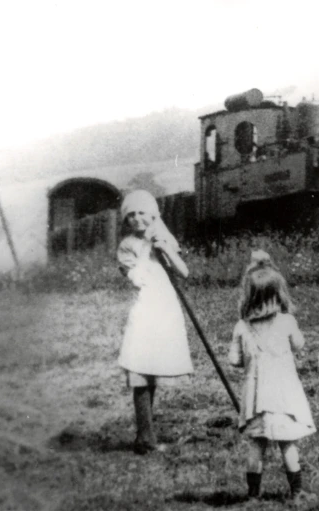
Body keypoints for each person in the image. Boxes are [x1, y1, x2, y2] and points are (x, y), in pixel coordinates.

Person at [228, 250, 316, 501]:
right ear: (279, 294)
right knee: (288, 444)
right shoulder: (287, 322)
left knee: (256, 445)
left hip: (256, 401)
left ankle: (253, 495)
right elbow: (299, 344)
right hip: (284, 399)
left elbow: (234, 360)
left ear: (248, 296)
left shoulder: (241, 327)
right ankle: (297, 492)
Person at [116, 190, 193, 454]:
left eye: (142, 213)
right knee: (140, 372)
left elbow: (184, 272)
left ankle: (146, 434)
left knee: (153, 369)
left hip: (165, 310)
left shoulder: (165, 238)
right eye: (131, 215)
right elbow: (137, 278)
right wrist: (149, 247)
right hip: (145, 311)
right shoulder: (127, 245)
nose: (137, 219)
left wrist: (166, 248)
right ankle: (145, 437)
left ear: (153, 214)